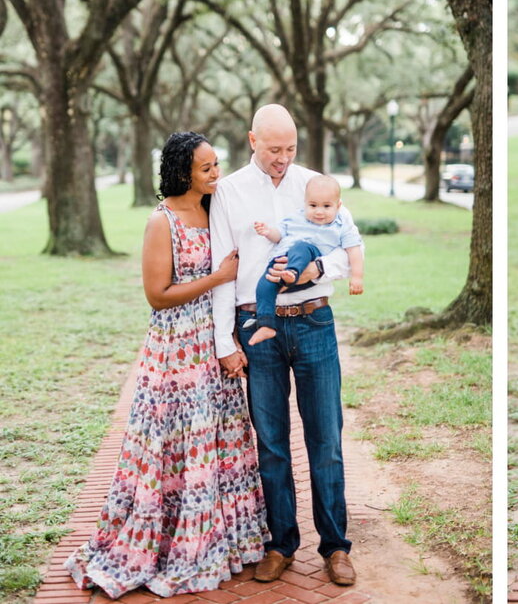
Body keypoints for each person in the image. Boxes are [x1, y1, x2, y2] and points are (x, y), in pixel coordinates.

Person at [65, 132, 268, 599]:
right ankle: (168, 539)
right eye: (206, 168)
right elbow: (157, 295)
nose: (216, 174)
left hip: (213, 344)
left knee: (217, 439)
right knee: (175, 444)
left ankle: (223, 537)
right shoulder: (163, 221)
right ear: (183, 173)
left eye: (217, 164)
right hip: (176, 350)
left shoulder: (216, 209)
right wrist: (216, 276)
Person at [209, 104, 358, 587]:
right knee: (271, 444)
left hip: (314, 322)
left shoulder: (315, 183)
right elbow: (220, 269)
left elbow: (349, 244)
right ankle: (280, 544)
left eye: (290, 149)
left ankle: (336, 547)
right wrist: (223, 338)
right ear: (253, 140)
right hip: (257, 326)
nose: (283, 158)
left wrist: (321, 270)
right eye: (274, 149)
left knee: (326, 441)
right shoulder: (228, 190)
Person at [246, 174, 364, 346]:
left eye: (326, 206)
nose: (319, 211)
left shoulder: (340, 225)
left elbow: (354, 250)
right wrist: (267, 231)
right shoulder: (295, 218)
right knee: (264, 285)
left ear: (338, 206)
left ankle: (293, 273)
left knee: (301, 247)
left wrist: (357, 277)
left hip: (309, 260)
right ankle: (266, 325)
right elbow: (279, 236)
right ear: (305, 203)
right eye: (313, 205)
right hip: (282, 262)